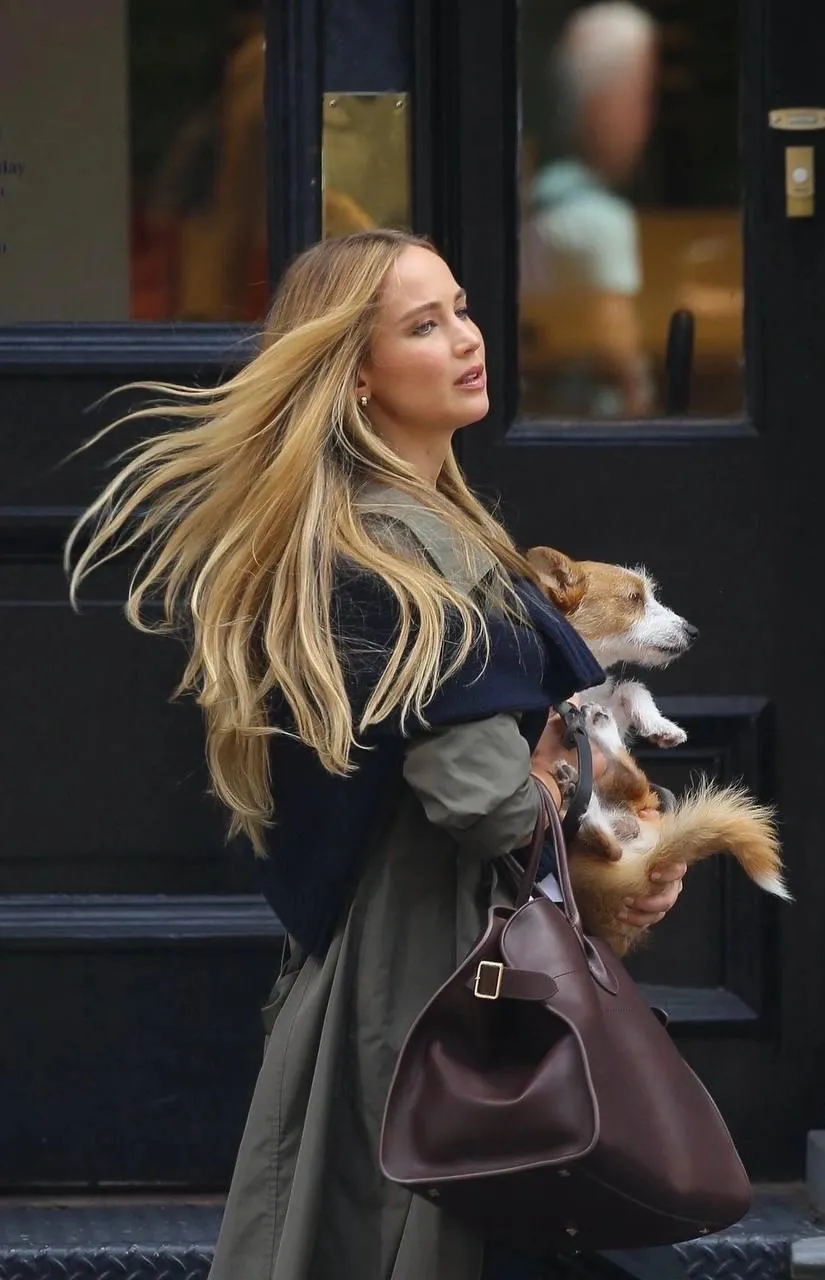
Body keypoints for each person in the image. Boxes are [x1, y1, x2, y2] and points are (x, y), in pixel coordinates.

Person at [66, 230, 686, 1280]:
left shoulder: (402, 530)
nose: (465, 337)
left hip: (409, 984)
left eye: (459, 306)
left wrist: (592, 840)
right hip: (435, 992)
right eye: (422, 323)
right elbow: (487, 804)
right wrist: (575, 785)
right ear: (354, 371)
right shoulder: (403, 549)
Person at [521, 2, 660, 418]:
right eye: (642, 98)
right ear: (604, 105)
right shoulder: (597, 221)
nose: (646, 121)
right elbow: (622, 359)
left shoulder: (539, 197)